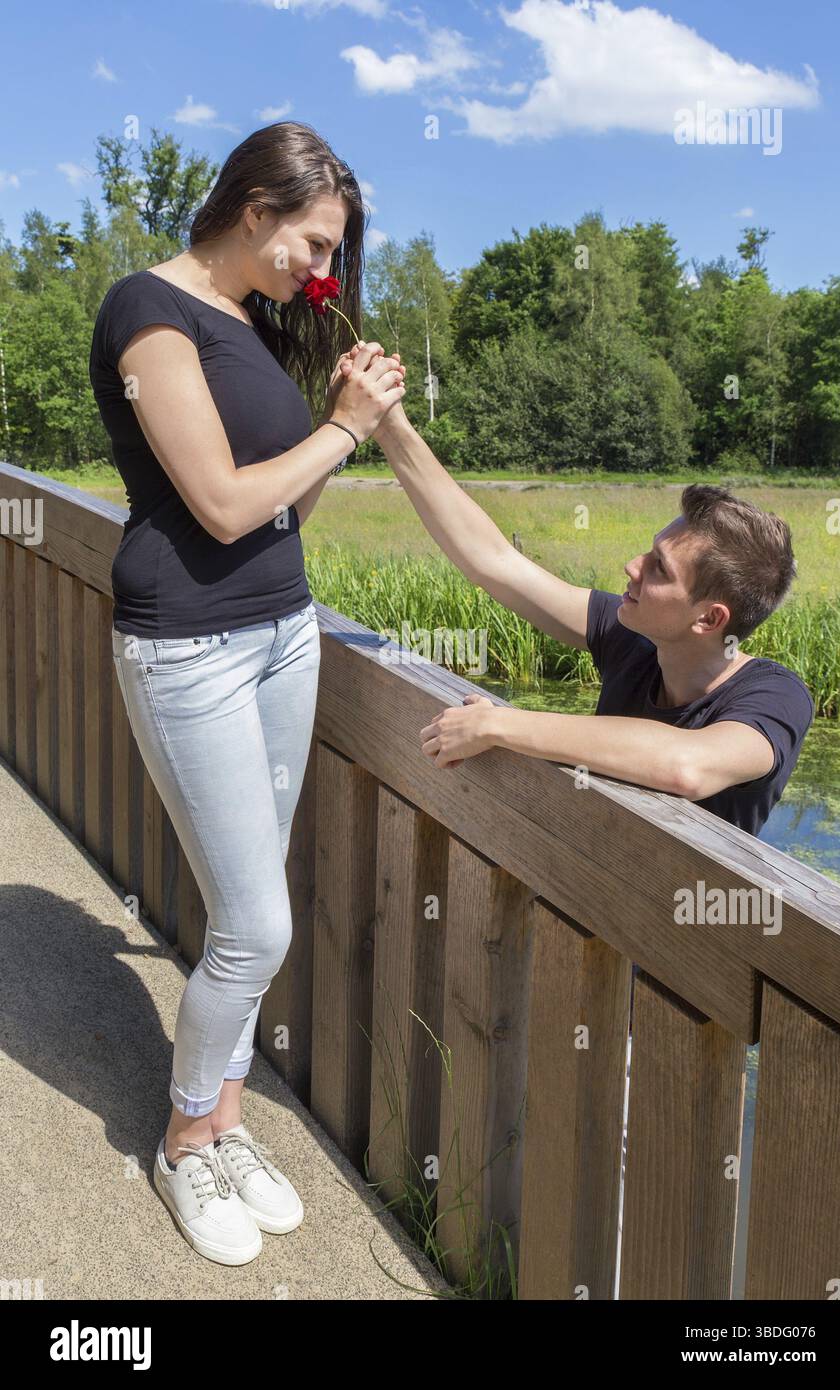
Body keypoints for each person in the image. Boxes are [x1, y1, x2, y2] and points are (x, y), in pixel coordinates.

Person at [88, 121, 405, 1266]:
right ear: (259, 203)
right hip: (190, 647)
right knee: (259, 921)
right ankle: (182, 1142)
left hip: (283, 631)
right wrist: (342, 425)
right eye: (313, 244)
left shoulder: (251, 327)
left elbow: (283, 512)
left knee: (247, 907)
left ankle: (224, 1119)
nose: (320, 273)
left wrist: (334, 428)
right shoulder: (148, 309)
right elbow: (220, 506)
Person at [345, 370, 814, 839]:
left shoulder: (775, 698)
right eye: (648, 552)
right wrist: (391, 424)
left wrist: (499, 725)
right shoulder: (632, 636)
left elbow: (686, 765)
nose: (633, 566)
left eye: (659, 568)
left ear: (709, 618)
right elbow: (494, 562)